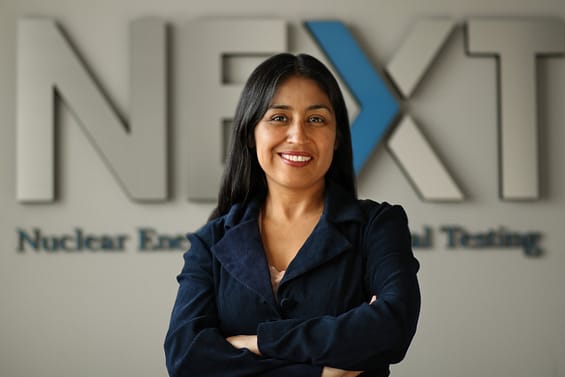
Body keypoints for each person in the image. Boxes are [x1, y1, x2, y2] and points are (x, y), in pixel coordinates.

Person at [164, 53, 420, 377]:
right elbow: (186, 358)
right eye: (279, 118)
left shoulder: (377, 226)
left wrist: (258, 342)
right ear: (249, 133)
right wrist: (320, 373)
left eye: (316, 119)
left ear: (337, 136)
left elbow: (392, 327)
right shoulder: (211, 242)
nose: (298, 136)